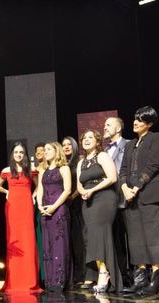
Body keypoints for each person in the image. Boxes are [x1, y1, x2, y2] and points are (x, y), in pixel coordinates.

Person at [120, 106, 159, 295]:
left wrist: (136, 186)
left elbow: (153, 165)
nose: (135, 122)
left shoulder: (157, 138)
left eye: (140, 119)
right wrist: (125, 188)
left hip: (149, 193)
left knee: (153, 236)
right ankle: (140, 280)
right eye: (135, 118)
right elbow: (123, 169)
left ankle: (155, 280)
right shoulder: (130, 144)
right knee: (136, 238)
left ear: (149, 123)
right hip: (130, 196)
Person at [77, 130, 122, 293]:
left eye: (90, 138)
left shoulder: (102, 156)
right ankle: (102, 270)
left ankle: (104, 272)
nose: (86, 140)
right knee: (92, 236)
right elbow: (79, 184)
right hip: (87, 201)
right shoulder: (81, 162)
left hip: (104, 198)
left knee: (100, 234)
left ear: (97, 141)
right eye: (84, 138)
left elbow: (112, 178)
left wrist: (93, 190)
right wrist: (83, 192)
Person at [0, 142, 41, 293]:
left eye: (21, 152)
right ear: (12, 154)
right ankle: (15, 281)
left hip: (26, 206)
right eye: (16, 152)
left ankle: (29, 280)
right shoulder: (7, 170)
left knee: (27, 240)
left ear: (25, 155)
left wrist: (33, 196)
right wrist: (6, 192)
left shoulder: (31, 170)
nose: (19, 155)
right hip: (12, 207)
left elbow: (39, 186)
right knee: (14, 240)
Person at [37, 142, 72, 291]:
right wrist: (39, 205)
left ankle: (60, 280)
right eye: (45, 150)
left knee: (60, 245)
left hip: (58, 210)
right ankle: (50, 281)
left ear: (56, 151)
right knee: (48, 244)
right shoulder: (42, 170)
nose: (46, 152)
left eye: (49, 149)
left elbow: (67, 190)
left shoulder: (64, 168)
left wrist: (54, 207)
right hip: (45, 210)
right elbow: (40, 189)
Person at [103, 117, 130, 283]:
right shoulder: (105, 150)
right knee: (116, 238)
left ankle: (136, 274)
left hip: (126, 197)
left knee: (131, 238)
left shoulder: (128, 145)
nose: (104, 127)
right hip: (110, 200)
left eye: (108, 125)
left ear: (118, 127)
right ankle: (120, 275)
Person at [62, 136, 86, 287]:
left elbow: (81, 183)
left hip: (77, 203)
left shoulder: (79, 161)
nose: (66, 147)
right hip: (65, 204)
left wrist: (71, 197)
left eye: (69, 144)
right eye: (63, 145)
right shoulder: (62, 164)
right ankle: (72, 275)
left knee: (80, 241)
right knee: (69, 240)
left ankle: (82, 275)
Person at [33, 142, 47, 283]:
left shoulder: (49, 168)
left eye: (42, 151)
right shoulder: (33, 169)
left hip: (48, 204)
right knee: (39, 240)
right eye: (37, 151)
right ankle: (40, 275)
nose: (40, 153)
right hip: (35, 207)